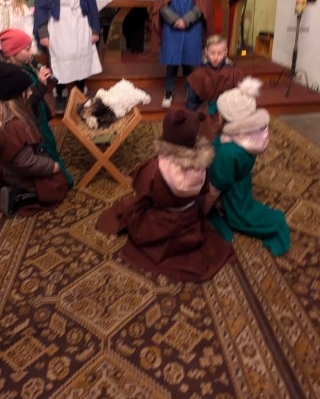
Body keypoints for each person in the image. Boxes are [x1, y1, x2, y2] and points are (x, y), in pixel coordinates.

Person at [96, 108, 235, 282]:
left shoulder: (155, 168)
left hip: (160, 223)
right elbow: (204, 191)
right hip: (189, 219)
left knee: (131, 210)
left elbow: (142, 192)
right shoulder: (202, 165)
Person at [0, 61, 71, 216]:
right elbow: (25, 162)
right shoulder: (13, 125)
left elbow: (30, 101)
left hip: (2, 165)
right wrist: (51, 166)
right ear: (17, 94)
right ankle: (19, 196)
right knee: (59, 184)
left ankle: (12, 184)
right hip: (17, 172)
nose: (30, 92)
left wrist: (41, 86)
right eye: (28, 90)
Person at [209, 76, 291, 256]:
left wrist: (202, 208)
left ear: (229, 118)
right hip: (240, 175)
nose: (217, 114)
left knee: (240, 217)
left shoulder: (228, 151)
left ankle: (274, 223)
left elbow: (217, 184)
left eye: (220, 112)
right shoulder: (247, 134)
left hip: (232, 187)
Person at [0, 28, 74, 187]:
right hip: (25, 128)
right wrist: (40, 85)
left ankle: (56, 178)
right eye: (26, 49)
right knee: (36, 158)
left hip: (37, 120)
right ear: (12, 52)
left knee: (48, 149)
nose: (31, 52)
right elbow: (14, 107)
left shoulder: (23, 66)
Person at [33, 0, 102, 114]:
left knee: (80, 58)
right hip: (59, 24)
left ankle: (79, 94)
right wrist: (43, 33)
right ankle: (60, 94)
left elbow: (92, 5)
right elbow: (41, 8)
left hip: (80, 22)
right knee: (60, 59)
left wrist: (95, 29)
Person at [151, 0, 214, 109]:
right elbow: (161, 5)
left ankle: (189, 92)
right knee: (172, 62)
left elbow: (203, 5)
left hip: (192, 27)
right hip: (172, 27)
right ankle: (169, 92)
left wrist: (186, 20)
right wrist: (175, 20)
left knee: (189, 61)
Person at [186, 35, 244, 139]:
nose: (216, 57)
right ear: (206, 52)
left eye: (220, 53)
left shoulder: (234, 74)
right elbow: (191, 103)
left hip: (228, 114)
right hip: (205, 114)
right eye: (212, 53)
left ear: (225, 52)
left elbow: (240, 100)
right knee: (205, 138)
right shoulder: (199, 75)